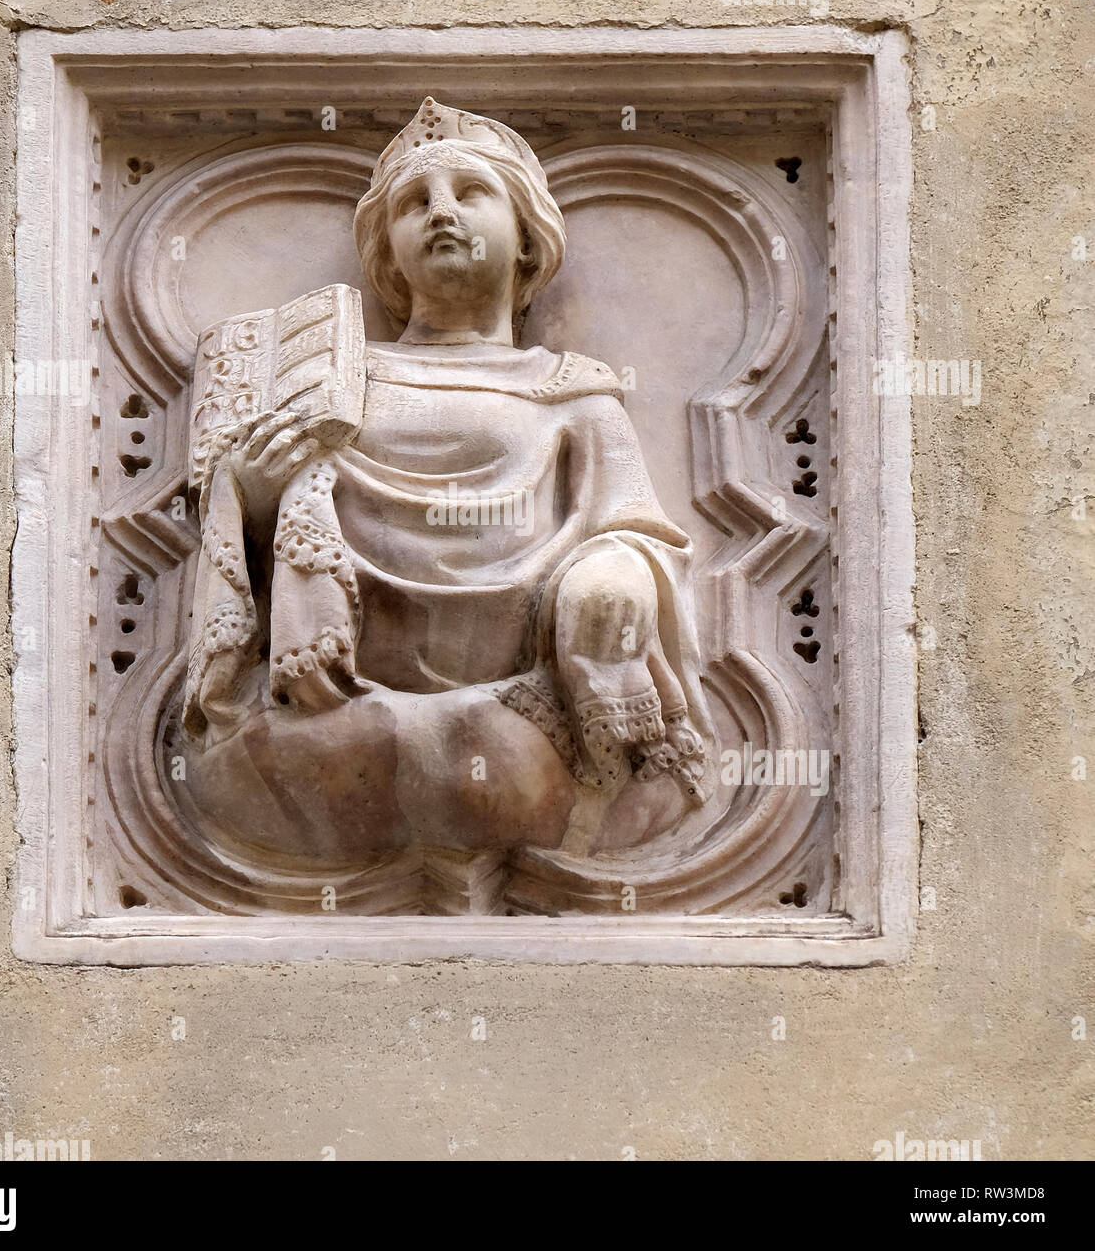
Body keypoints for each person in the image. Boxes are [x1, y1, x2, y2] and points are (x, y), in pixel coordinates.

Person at [182, 98, 713, 861]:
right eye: (412, 202)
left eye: (471, 194)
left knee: (487, 749)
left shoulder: (570, 389)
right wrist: (256, 500)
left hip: (525, 714)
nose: (439, 213)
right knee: (382, 749)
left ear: (528, 238)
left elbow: (632, 529)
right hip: (329, 714)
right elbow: (251, 525)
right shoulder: (329, 384)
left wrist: (612, 575)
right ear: (386, 252)